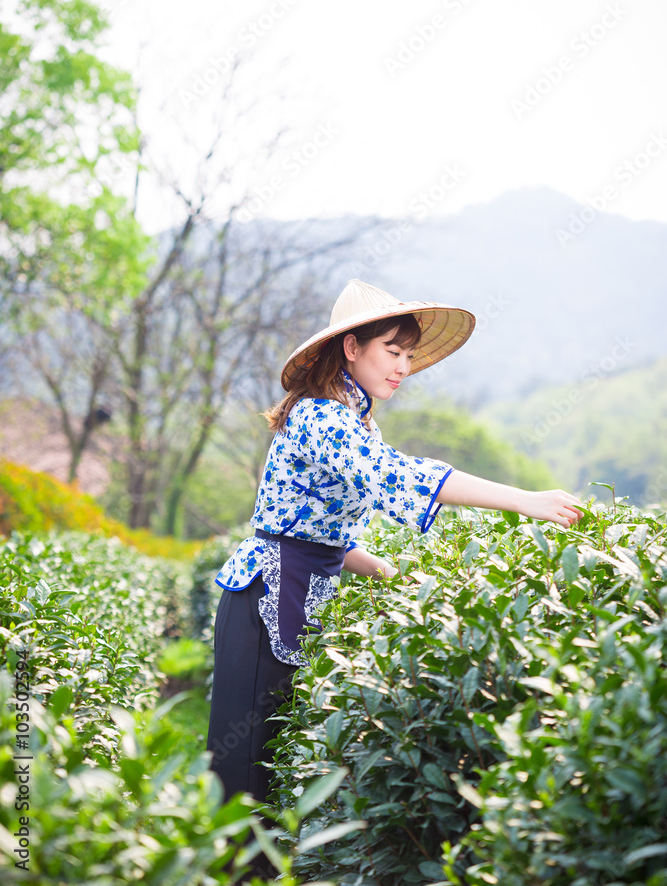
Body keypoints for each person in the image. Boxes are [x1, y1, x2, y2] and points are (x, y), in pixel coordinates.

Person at [206, 278, 583, 808]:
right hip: (264, 601)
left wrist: (390, 574)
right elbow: (398, 476)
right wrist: (523, 499)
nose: (402, 366)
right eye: (391, 350)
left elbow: (323, 540)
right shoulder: (320, 415)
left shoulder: (353, 423)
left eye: (408, 353)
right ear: (352, 348)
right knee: (244, 778)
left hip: (294, 598)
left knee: (276, 773)